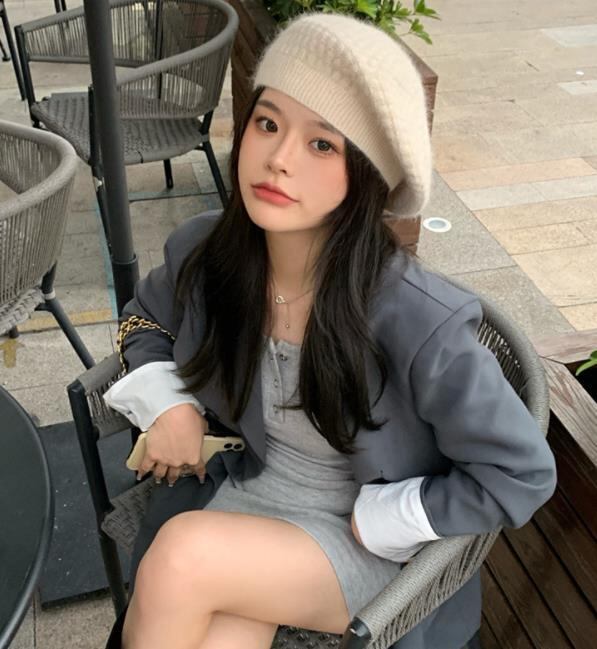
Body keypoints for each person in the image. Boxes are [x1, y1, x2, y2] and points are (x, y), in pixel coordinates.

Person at [102, 11, 557, 649]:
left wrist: (392, 517)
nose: (278, 159)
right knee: (214, 626)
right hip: (251, 496)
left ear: (366, 173)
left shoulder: (419, 320)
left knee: (180, 558)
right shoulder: (209, 251)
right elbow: (145, 317)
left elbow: (522, 472)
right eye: (268, 123)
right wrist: (168, 404)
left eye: (322, 144)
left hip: (358, 541)